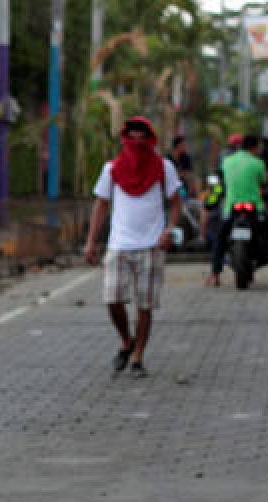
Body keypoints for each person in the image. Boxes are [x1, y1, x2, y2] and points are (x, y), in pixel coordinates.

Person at [85, 115, 181, 377]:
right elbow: (101, 205)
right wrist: (91, 241)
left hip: (152, 245)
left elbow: (175, 202)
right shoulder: (112, 169)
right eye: (132, 136)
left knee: (145, 305)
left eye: (142, 136)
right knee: (112, 299)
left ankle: (138, 356)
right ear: (125, 139)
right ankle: (126, 340)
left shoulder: (163, 167)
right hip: (119, 244)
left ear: (149, 139)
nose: (137, 141)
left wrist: (169, 230)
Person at [209, 134, 268, 288]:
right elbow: (264, 182)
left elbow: (221, 182)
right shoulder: (258, 163)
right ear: (254, 148)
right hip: (254, 208)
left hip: (232, 208)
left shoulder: (227, 161)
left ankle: (214, 275)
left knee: (220, 240)